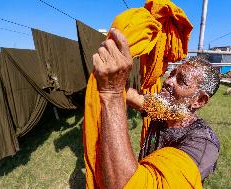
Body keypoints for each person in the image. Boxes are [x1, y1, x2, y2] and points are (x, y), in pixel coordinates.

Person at [92, 28, 220, 189]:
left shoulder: (202, 145)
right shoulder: (163, 110)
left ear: (199, 100)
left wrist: (111, 93)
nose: (168, 81)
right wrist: (112, 77)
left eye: (181, 80)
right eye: (171, 74)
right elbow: (135, 98)